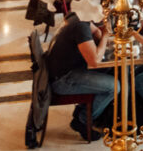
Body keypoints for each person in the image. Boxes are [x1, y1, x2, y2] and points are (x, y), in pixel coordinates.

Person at [47, 10, 115, 140]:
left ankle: (84, 112)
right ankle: (82, 120)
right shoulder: (80, 26)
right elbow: (94, 61)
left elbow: (96, 32)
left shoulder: (79, 16)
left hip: (67, 71)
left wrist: (101, 40)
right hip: (63, 80)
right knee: (114, 86)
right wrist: (105, 37)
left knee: (108, 71)